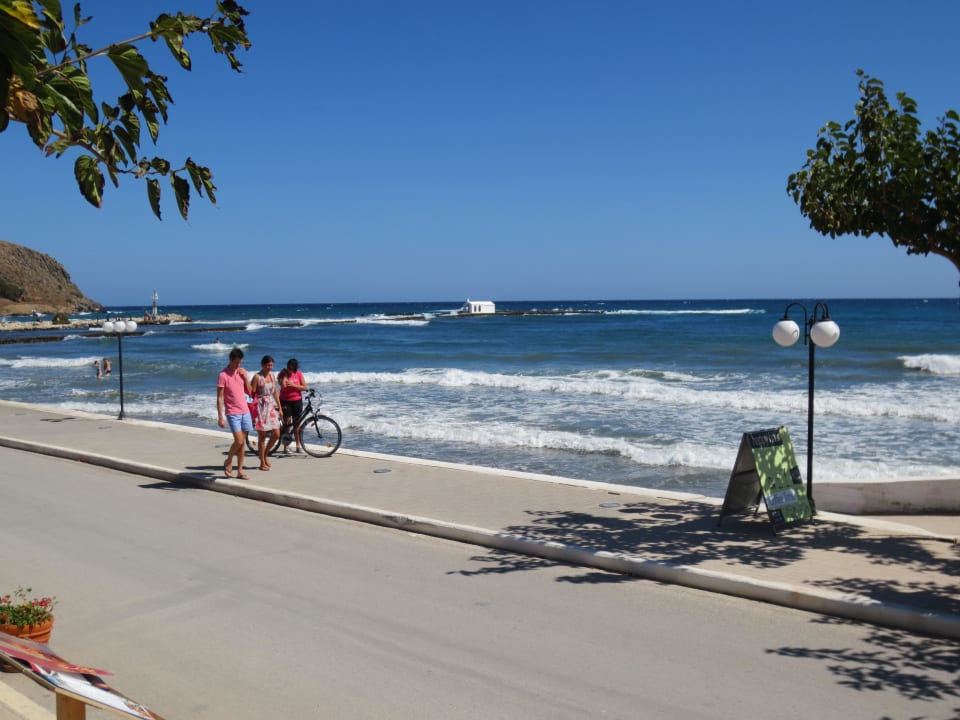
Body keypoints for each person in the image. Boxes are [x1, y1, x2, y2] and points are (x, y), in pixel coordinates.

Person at [216, 347, 253, 479]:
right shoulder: (223, 375)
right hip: (232, 412)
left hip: (245, 411)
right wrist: (220, 417)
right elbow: (219, 397)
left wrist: (245, 378)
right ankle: (229, 459)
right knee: (239, 440)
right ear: (230, 360)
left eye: (240, 362)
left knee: (242, 443)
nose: (238, 365)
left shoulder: (243, 372)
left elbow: (250, 392)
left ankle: (240, 471)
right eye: (236, 362)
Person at [251, 355, 283, 471]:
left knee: (277, 434)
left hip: (270, 406)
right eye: (268, 365)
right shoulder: (257, 377)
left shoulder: (272, 376)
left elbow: (275, 393)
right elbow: (251, 394)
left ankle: (265, 454)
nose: (270, 367)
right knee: (262, 436)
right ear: (262, 365)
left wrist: (279, 407)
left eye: (271, 365)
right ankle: (262, 462)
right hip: (260, 407)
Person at [278, 358, 308, 453]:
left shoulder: (298, 373)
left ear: (295, 367)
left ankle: (298, 446)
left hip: (297, 401)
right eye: (289, 368)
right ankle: (286, 446)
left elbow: (304, 387)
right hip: (285, 401)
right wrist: (285, 375)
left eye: (292, 368)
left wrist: (293, 385)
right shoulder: (282, 373)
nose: (290, 370)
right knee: (287, 423)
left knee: (297, 424)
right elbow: (283, 386)